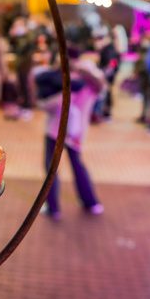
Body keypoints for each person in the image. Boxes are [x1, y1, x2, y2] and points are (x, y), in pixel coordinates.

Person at [34, 48, 104, 219]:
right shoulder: (91, 88)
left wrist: (42, 102)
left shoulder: (66, 82)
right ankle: (91, 202)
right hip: (76, 133)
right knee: (77, 166)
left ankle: (53, 208)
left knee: (51, 169)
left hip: (55, 131)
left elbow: (51, 104)